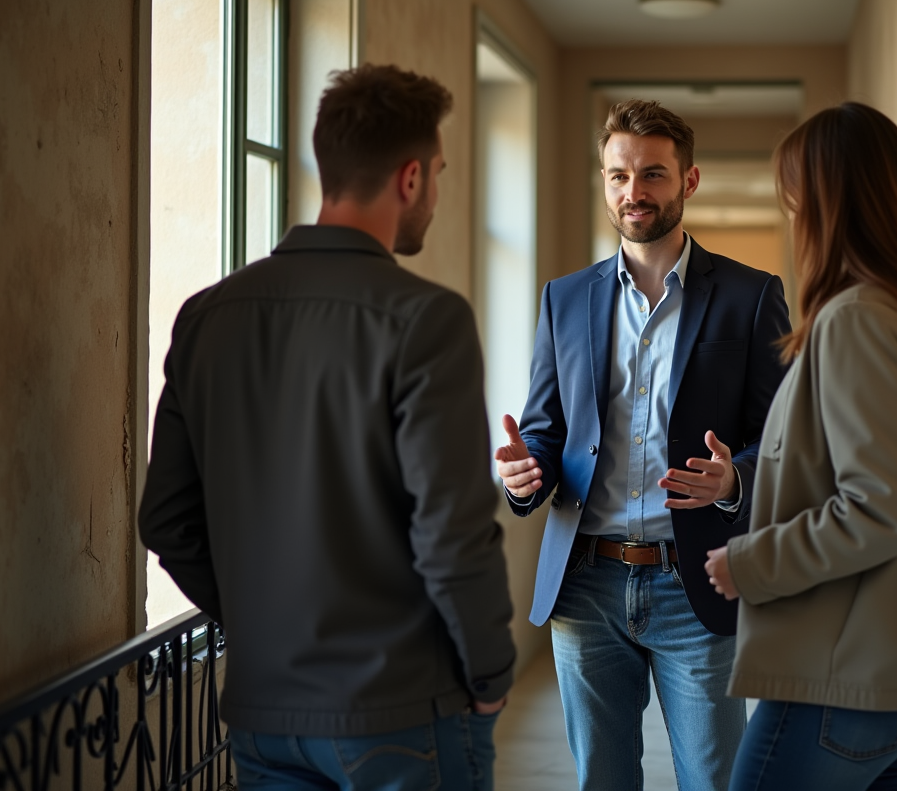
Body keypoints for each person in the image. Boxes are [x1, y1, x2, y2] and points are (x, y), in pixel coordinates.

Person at [138, 64, 516, 791]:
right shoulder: (427, 319)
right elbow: (452, 535)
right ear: (410, 178)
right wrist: (490, 674)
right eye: (437, 174)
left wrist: (264, 625)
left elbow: (167, 521)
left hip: (264, 713)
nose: (435, 196)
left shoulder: (205, 317)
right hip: (401, 709)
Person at [703, 102, 897, 790]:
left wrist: (751, 563)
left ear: (832, 208)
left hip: (841, 684)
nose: (795, 223)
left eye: (798, 205)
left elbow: (881, 509)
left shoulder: (857, 322)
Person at [495, 99, 791, 790]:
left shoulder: (750, 296)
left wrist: (736, 479)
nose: (634, 191)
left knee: (713, 779)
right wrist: (525, 472)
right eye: (619, 175)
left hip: (696, 585)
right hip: (585, 586)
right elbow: (545, 429)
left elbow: (783, 439)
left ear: (689, 181)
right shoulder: (564, 299)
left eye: (653, 174)